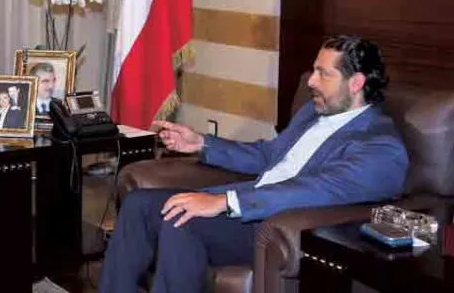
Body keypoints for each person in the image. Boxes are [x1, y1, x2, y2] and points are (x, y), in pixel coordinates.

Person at [99, 35, 408, 293]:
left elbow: (313, 189)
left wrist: (227, 201)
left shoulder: (379, 147)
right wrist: (202, 143)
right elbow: (268, 155)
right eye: (313, 71)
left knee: (181, 219)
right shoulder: (314, 112)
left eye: (323, 74)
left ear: (356, 83)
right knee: (138, 205)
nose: (311, 81)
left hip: (277, 225)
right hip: (250, 202)